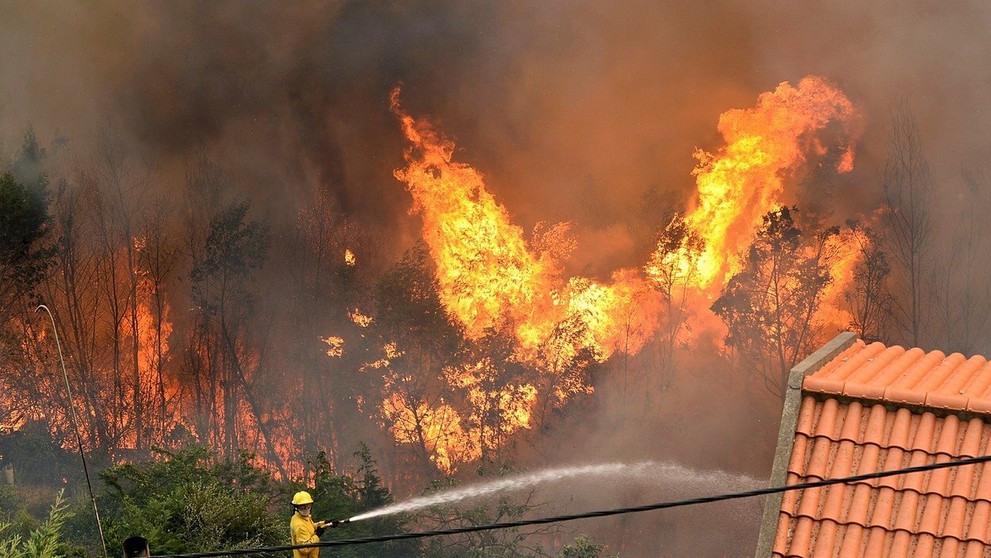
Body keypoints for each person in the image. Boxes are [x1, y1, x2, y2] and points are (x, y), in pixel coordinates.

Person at [290, 491, 326, 558]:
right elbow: (304, 549)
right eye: (303, 506)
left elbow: (311, 527)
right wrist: (317, 536)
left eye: (308, 505)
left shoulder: (302, 517)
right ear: (296, 507)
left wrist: (326, 523)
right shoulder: (299, 525)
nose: (306, 508)